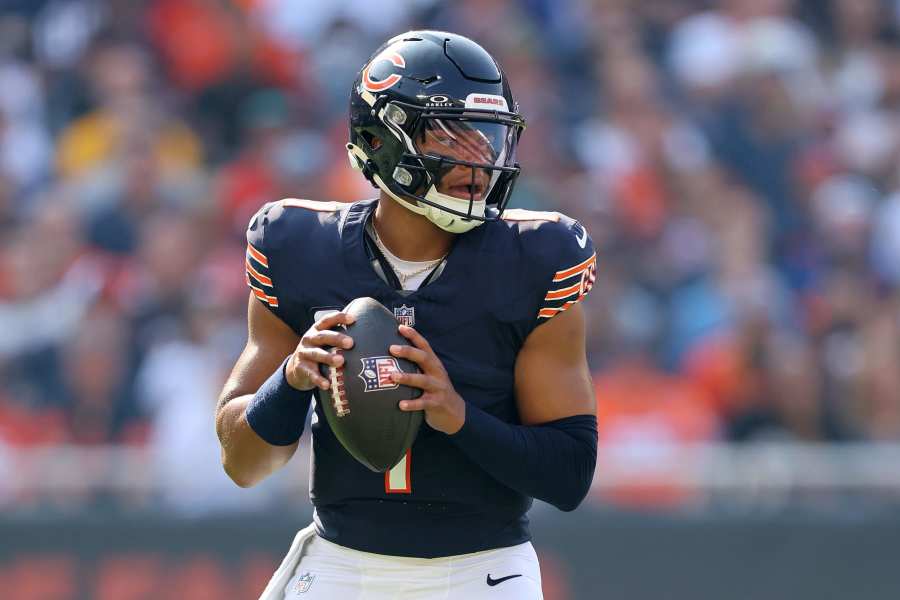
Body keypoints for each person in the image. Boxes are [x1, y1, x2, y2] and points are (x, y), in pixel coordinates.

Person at [215, 30, 598, 600]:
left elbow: (568, 476)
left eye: (488, 137)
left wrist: (459, 416)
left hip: (482, 571)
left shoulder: (537, 259)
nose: (479, 160)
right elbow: (244, 465)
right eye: (451, 135)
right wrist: (292, 380)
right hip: (342, 566)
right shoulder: (296, 246)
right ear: (380, 139)